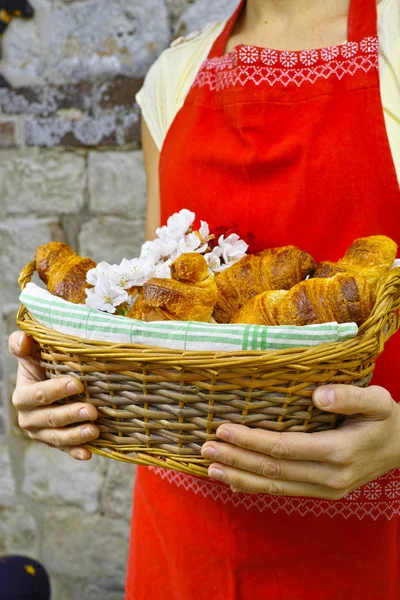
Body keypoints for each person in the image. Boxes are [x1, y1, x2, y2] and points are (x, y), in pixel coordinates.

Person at [9, 0, 400, 598]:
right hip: (183, 540)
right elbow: (151, 323)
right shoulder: (174, 79)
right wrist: (63, 375)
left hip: (365, 548)